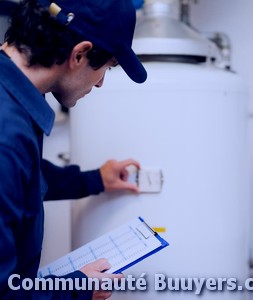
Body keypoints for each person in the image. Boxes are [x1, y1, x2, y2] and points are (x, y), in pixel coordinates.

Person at [0, 0, 147, 299]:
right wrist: (75, 290)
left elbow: (23, 180)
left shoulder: (12, 103)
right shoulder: (7, 136)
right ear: (79, 54)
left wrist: (94, 180)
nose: (101, 82)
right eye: (106, 67)